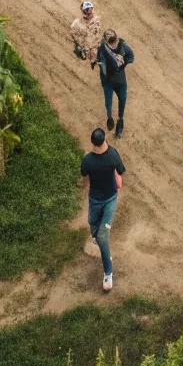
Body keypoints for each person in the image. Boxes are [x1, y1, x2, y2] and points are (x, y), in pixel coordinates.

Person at [80, 125, 125, 292]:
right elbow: (121, 171)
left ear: (93, 143)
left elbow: (84, 179)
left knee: (102, 236)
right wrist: (117, 176)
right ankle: (98, 240)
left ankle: (108, 272)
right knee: (92, 223)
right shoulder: (106, 156)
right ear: (103, 140)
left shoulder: (89, 159)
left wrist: (115, 178)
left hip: (110, 200)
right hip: (95, 200)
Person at [97, 27, 134, 138]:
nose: (113, 43)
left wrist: (123, 64)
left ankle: (120, 121)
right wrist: (106, 68)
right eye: (110, 41)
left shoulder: (122, 46)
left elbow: (131, 56)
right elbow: (102, 66)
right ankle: (109, 117)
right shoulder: (102, 49)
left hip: (120, 81)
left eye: (114, 40)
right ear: (105, 41)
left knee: (122, 101)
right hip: (108, 81)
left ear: (117, 38)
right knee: (108, 103)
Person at [71, 0, 102, 65]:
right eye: (87, 10)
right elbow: (74, 34)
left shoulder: (96, 19)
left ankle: (94, 59)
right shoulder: (77, 23)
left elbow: (97, 33)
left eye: (91, 9)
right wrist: (79, 45)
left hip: (95, 44)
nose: (90, 11)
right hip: (87, 45)